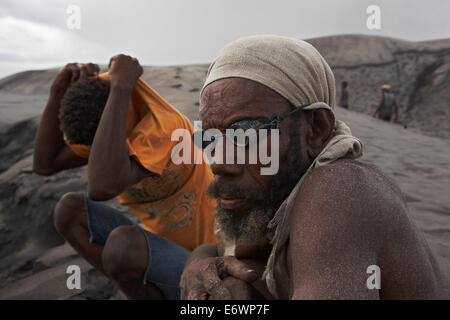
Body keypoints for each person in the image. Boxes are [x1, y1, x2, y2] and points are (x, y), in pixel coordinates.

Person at [180, 35, 449, 300]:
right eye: (209, 137)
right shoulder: (273, 198)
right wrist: (200, 261)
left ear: (316, 129)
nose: (218, 162)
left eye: (247, 132)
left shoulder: (341, 190)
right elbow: (224, 249)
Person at [33, 55, 217, 299]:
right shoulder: (103, 118)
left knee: (124, 245)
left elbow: (102, 188)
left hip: (205, 262)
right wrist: (58, 91)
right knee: (69, 209)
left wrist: (121, 86)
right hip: (156, 246)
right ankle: (140, 289)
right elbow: (45, 165)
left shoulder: (165, 128)